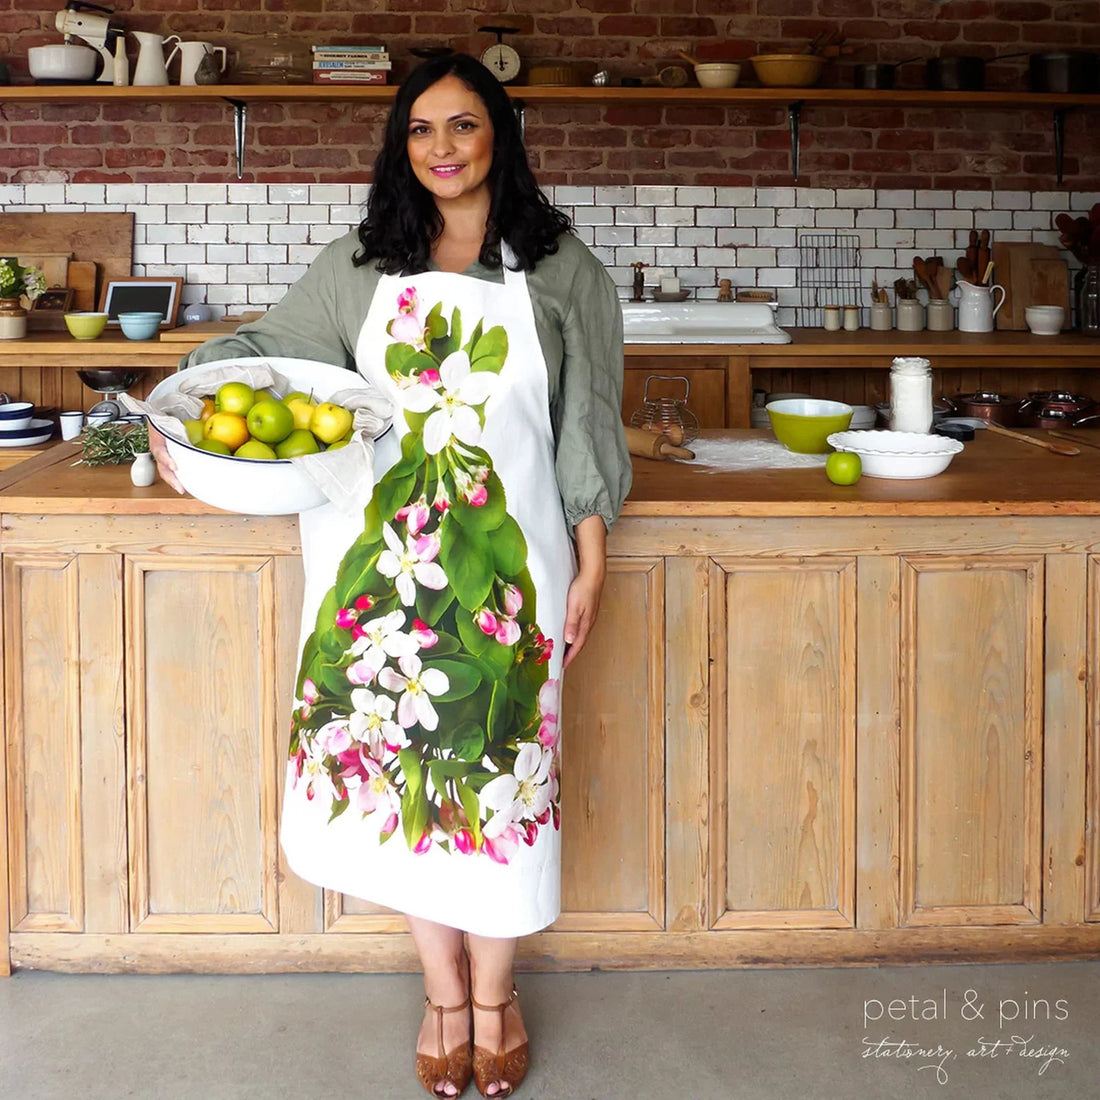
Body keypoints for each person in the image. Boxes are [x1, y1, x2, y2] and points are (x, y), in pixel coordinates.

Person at [153, 52, 630, 1098]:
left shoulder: (562, 271)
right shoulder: (360, 263)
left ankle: (495, 997)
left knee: (499, 776)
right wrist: (177, 403)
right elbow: (267, 354)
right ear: (399, 145)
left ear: (499, 133)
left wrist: (591, 559)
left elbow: (586, 424)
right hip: (378, 569)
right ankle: (442, 994)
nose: (441, 148)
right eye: (420, 129)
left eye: (462, 125)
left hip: (509, 571)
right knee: (403, 770)